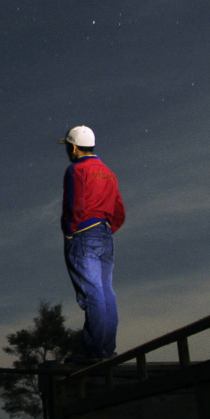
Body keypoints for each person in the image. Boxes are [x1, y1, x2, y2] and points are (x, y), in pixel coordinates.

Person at [59, 125, 125, 362]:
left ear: (74, 147)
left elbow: (74, 205)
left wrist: (70, 232)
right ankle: (107, 349)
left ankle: (94, 351)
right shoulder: (108, 172)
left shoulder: (76, 170)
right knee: (106, 291)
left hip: (84, 234)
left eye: (68, 147)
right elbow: (119, 210)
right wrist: (106, 230)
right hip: (105, 235)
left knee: (93, 292)